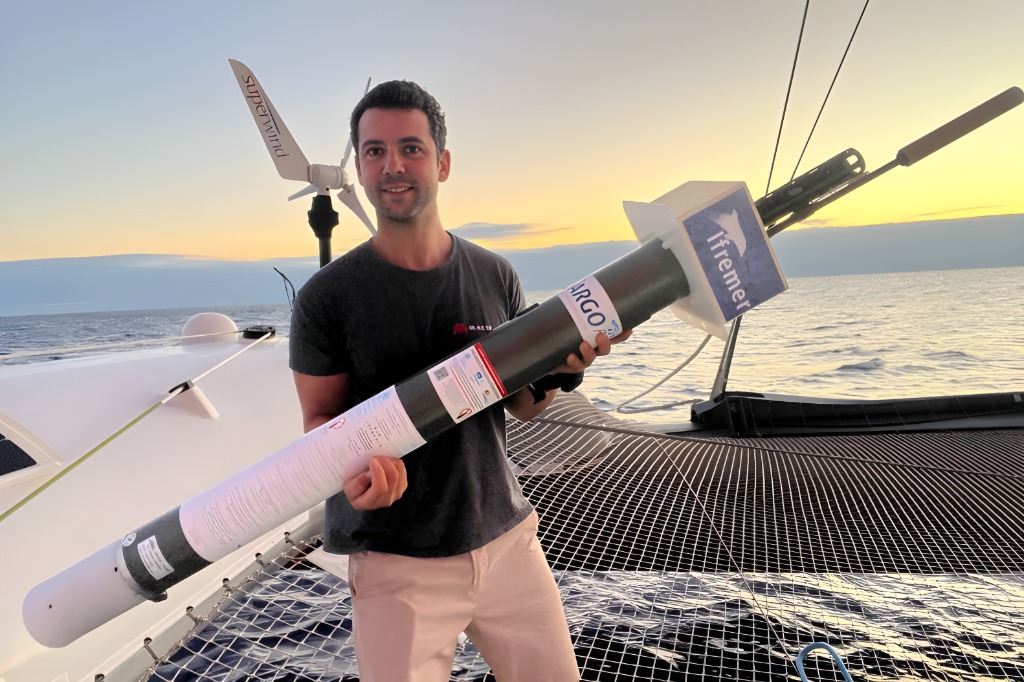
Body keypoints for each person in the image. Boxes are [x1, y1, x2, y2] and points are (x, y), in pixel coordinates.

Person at [289, 80, 629, 682]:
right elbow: (320, 421)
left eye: (411, 148)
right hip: (395, 560)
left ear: (442, 163)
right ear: (360, 169)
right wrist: (356, 476)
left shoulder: (495, 274)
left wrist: (563, 370)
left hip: (507, 540)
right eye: (374, 151)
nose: (392, 166)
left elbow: (522, 405)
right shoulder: (326, 298)